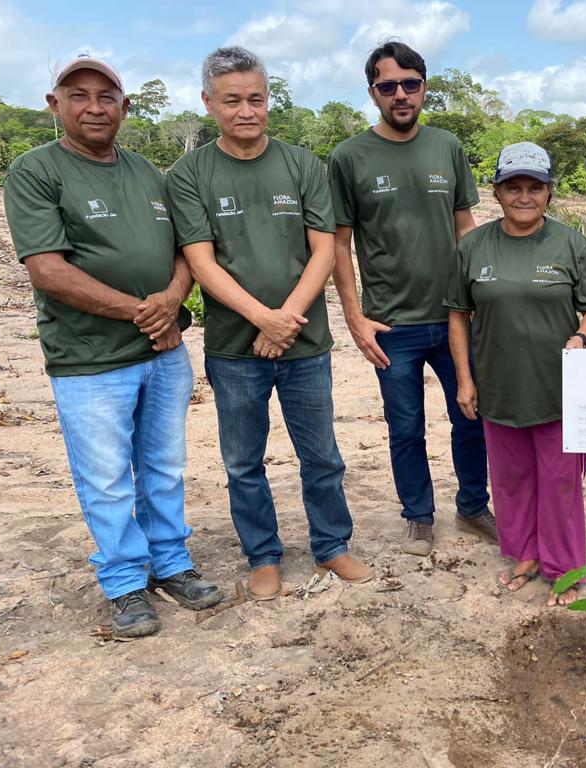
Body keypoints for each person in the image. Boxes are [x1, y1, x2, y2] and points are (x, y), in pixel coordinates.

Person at [3, 55, 223, 637]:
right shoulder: (35, 171)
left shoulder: (149, 173)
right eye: (79, 95)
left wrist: (173, 301)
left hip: (163, 354)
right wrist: (143, 312)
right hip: (89, 362)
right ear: (56, 105)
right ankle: (125, 583)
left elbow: (185, 251)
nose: (94, 106)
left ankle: (172, 564)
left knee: (165, 467)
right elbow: (48, 270)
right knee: (105, 478)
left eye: (107, 96)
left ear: (126, 108)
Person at [166, 46, 371, 599]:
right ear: (208, 103)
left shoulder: (303, 164)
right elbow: (201, 261)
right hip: (234, 349)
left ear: (269, 100)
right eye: (232, 100)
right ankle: (263, 556)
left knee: (321, 455)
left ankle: (332, 547)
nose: (245, 110)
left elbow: (324, 250)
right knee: (242, 461)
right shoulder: (189, 174)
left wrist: (286, 321)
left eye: (255, 98)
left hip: (305, 344)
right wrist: (262, 319)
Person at [328, 40, 494, 557]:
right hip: (389, 325)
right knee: (406, 428)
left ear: (424, 86)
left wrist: (485, 295)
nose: (400, 94)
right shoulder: (348, 157)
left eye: (410, 84)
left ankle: (472, 505)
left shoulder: (447, 146)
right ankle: (418, 515)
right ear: (373, 91)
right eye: (388, 86)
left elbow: (466, 225)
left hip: (455, 319)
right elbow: (339, 241)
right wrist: (354, 317)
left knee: (471, 415)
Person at [446, 142, 586, 606]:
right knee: (512, 479)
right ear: (496, 192)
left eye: (535, 187)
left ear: (549, 192)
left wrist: (580, 340)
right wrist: (464, 378)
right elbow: (459, 315)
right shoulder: (473, 246)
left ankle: (564, 568)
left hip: (558, 389)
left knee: (560, 482)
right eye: (512, 186)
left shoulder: (571, 244)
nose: (524, 196)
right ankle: (525, 554)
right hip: (498, 383)